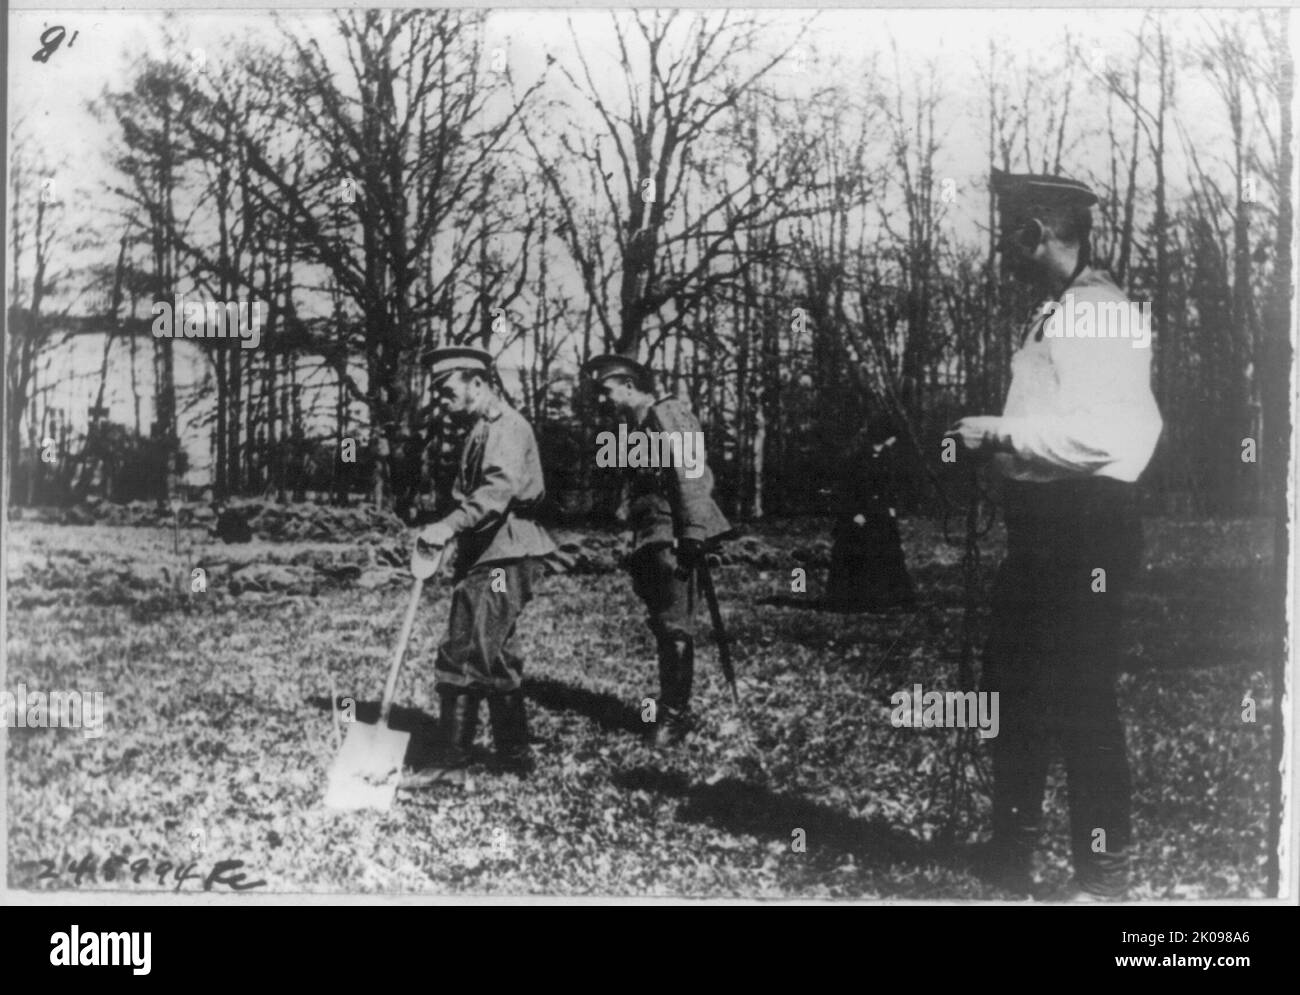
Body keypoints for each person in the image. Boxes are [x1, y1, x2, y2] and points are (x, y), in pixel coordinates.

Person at [947, 169, 1162, 900]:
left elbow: (1104, 437)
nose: (1003, 250)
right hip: (1043, 530)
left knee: (1081, 700)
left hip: (1086, 532)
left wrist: (999, 431)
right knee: (1014, 688)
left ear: (1035, 232)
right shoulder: (1058, 311)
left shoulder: (1098, 312)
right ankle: (1012, 857)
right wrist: (998, 450)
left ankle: (1104, 876)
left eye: (1010, 232)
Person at [403, 346, 557, 784]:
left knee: (465, 649)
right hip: (494, 552)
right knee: (497, 654)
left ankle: (451, 762)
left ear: (476, 383)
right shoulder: (481, 429)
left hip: (502, 555)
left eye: (445, 388)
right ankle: (514, 756)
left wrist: (447, 526)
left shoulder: (506, 427)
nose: (440, 397)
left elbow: (494, 493)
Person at [581, 355, 732, 747]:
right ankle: (671, 710)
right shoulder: (635, 425)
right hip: (651, 531)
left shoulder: (666, 414)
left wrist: (694, 531)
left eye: (607, 391)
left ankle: (674, 718)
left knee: (674, 622)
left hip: (674, 532)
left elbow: (692, 473)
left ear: (629, 387)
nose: (604, 400)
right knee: (663, 621)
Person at [826, 415, 916, 612]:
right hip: (860, 517)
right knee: (858, 556)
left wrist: (891, 505)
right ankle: (855, 600)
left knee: (889, 555)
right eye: (891, 437)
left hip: (881, 515)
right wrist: (854, 513)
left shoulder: (887, 458)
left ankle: (893, 599)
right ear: (883, 437)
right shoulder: (856, 460)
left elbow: (889, 486)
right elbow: (846, 490)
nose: (893, 442)